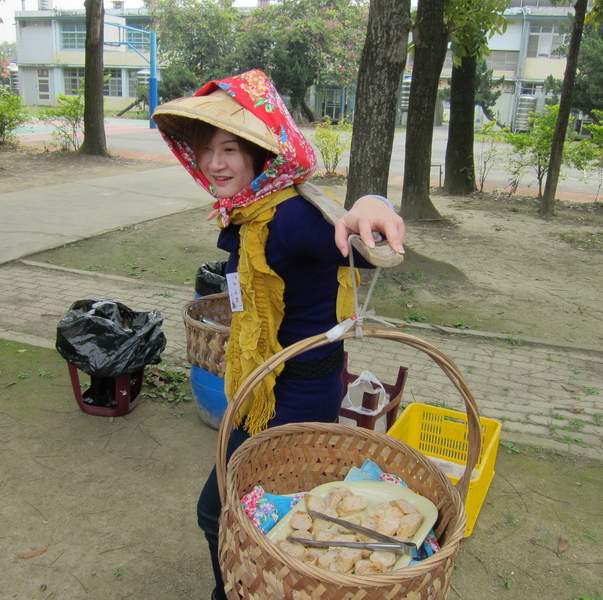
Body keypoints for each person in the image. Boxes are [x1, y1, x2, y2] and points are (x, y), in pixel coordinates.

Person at [152, 69, 405, 600]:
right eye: (206, 150)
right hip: (271, 386)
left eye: (229, 149)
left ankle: (240, 592)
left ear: (257, 155)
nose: (214, 163)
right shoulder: (253, 210)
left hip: (294, 395)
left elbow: (367, 243)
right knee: (260, 513)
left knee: (218, 511)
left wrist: (373, 202)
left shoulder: (288, 216)